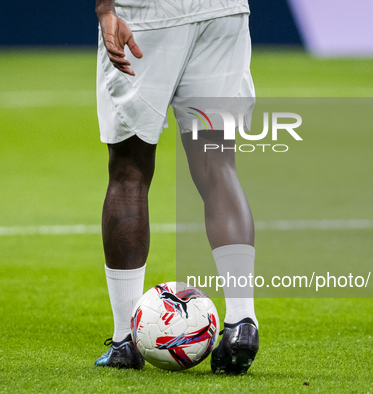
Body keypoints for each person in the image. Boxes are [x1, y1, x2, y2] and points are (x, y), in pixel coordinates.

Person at [94, 0, 259, 375]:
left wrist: (106, 11)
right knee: (219, 167)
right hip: (223, 11)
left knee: (129, 171)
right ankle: (241, 322)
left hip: (147, 13)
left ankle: (125, 341)